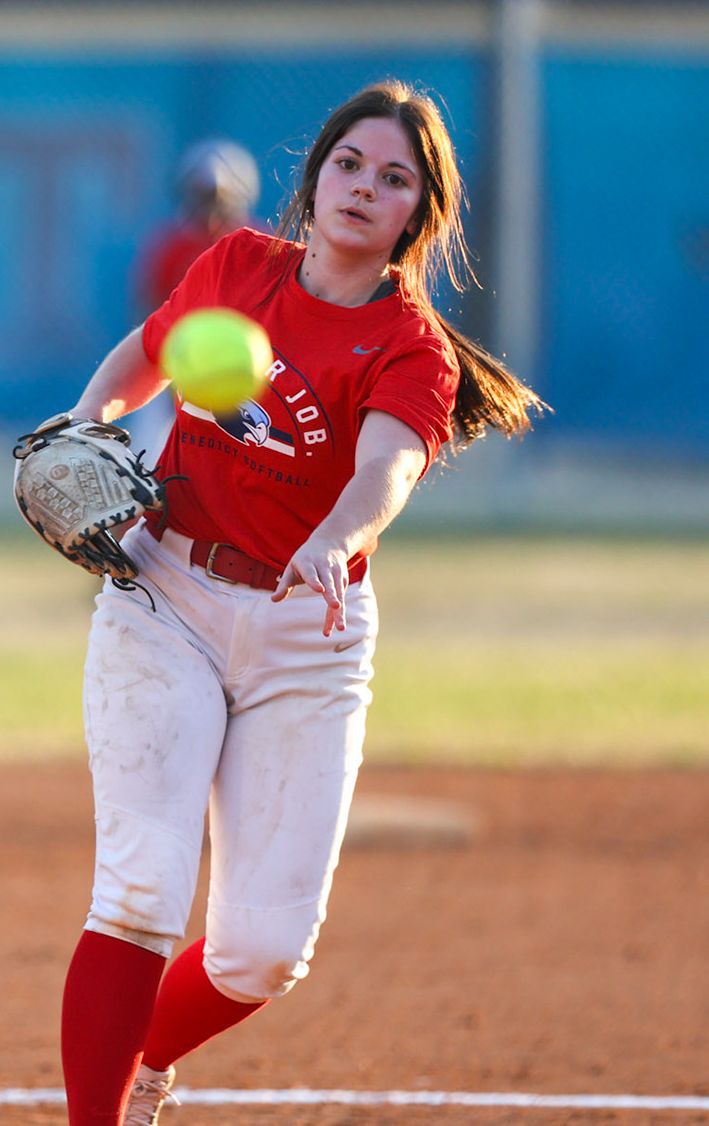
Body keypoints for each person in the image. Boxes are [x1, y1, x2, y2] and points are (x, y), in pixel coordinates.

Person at [48, 81, 543, 1126]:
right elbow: (150, 351)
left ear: (421, 213)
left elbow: (388, 466)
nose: (365, 187)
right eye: (351, 164)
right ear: (314, 174)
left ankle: (144, 1057)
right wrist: (87, 421)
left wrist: (339, 538)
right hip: (166, 593)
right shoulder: (234, 268)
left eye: (394, 178)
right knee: (141, 889)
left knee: (263, 950)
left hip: (304, 635)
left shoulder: (412, 346)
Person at [122, 140, 263, 461]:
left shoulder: (257, 245)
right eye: (204, 196)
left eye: (220, 197)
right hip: (173, 367)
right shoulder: (172, 245)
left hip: (240, 373)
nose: (212, 208)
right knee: (144, 456)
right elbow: (147, 308)